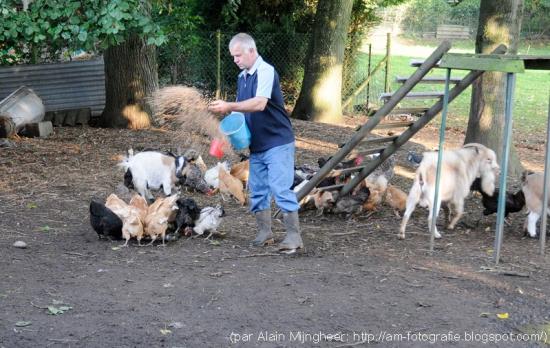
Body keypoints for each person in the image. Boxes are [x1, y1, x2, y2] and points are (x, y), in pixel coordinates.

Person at [208, 33, 303, 253]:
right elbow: (243, 113)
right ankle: (265, 232)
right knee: (258, 190)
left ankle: (293, 236)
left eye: (238, 55)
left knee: (280, 188)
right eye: (233, 56)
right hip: (258, 145)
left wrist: (229, 105)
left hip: (278, 142)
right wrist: (224, 132)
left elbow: (259, 104)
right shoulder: (243, 77)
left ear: (251, 50)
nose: (235, 60)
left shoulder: (266, 71)